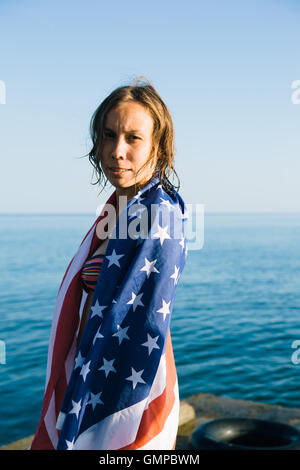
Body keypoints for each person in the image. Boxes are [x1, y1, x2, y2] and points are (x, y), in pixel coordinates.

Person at [30, 77, 188, 450]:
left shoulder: (158, 216)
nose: (117, 150)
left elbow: (139, 325)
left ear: (158, 147)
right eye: (108, 135)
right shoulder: (119, 207)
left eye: (133, 138)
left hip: (123, 384)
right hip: (91, 364)